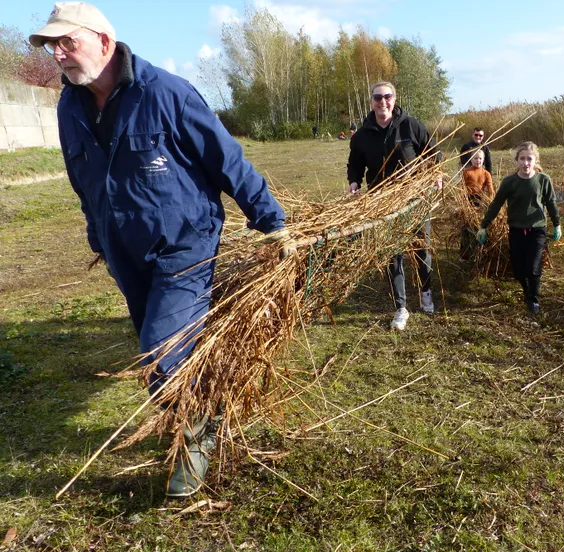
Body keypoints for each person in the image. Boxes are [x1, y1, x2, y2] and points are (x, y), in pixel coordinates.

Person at [29, 1, 296, 498]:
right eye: (52, 46)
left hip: (184, 245)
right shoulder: (70, 106)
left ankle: (197, 436)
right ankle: (199, 405)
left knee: (159, 354)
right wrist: (97, 236)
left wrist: (270, 221)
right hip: (123, 251)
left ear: (104, 42)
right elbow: (81, 180)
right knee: (162, 347)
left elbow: (225, 157)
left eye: (69, 42)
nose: (59, 54)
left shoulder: (165, 93)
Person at [347, 81, 442, 330]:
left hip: (415, 199)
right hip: (383, 202)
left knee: (422, 248)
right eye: (378, 97)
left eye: (387, 96)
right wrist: (354, 181)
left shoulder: (410, 125)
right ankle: (401, 307)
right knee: (393, 253)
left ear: (394, 98)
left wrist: (436, 174)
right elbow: (354, 164)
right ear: (371, 101)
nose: (383, 101)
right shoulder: (361, 136)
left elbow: (433, 153)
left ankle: (426, 292)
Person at [476, 141, 561, 313]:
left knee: (534, 267)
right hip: (516, 230)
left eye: (529, 159)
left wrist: (557, 225)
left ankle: (533, 299)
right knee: (518, 269)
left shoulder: (543, 180)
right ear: (517, 161)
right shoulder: (509, 182)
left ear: (535, 160)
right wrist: (483, 226)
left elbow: (551, 204)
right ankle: (527, 290)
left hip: (537, 230)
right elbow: (496, 205)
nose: (525, 163)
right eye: (522, 159)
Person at [459, 149, 493, 259]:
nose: (478, 160)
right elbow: (462, 188)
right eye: (475, 158)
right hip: (468, 200)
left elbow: (490, 188)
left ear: (483, 160)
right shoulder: (467, 172)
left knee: (479, 226)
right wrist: (463, 202)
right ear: (471, 159)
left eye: (480, 158)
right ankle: (464, 253)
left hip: (480, 200)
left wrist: (490, 200)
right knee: (465, 227)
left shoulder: (486, 173)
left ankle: (479, 252)